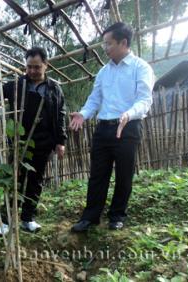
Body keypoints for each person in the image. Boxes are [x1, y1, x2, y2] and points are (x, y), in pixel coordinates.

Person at [0, 47, 67, 235]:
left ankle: (28, 219)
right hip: (19, 141)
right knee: (14, 179)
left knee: (35, 181)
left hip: (43, 142)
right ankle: (6, 221)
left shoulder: (54, 88)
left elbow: (60, 114)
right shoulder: (17, 85)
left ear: (46, 65)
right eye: (29, 67)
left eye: (37, 67)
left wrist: (60, 141)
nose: (32, 71)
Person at [69, 22, 154, 232]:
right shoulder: (103, 72)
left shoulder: (140, 68)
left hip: (128, 127)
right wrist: (83, 113)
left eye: (109, 44)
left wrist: (128, 114)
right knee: (98, 174)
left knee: (124, 174)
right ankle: (90, 217)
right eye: (104, 44)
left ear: (123, 43)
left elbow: (145, 100)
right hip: (103, 129)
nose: (105, 48)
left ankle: (117, 215)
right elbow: (94, 99)